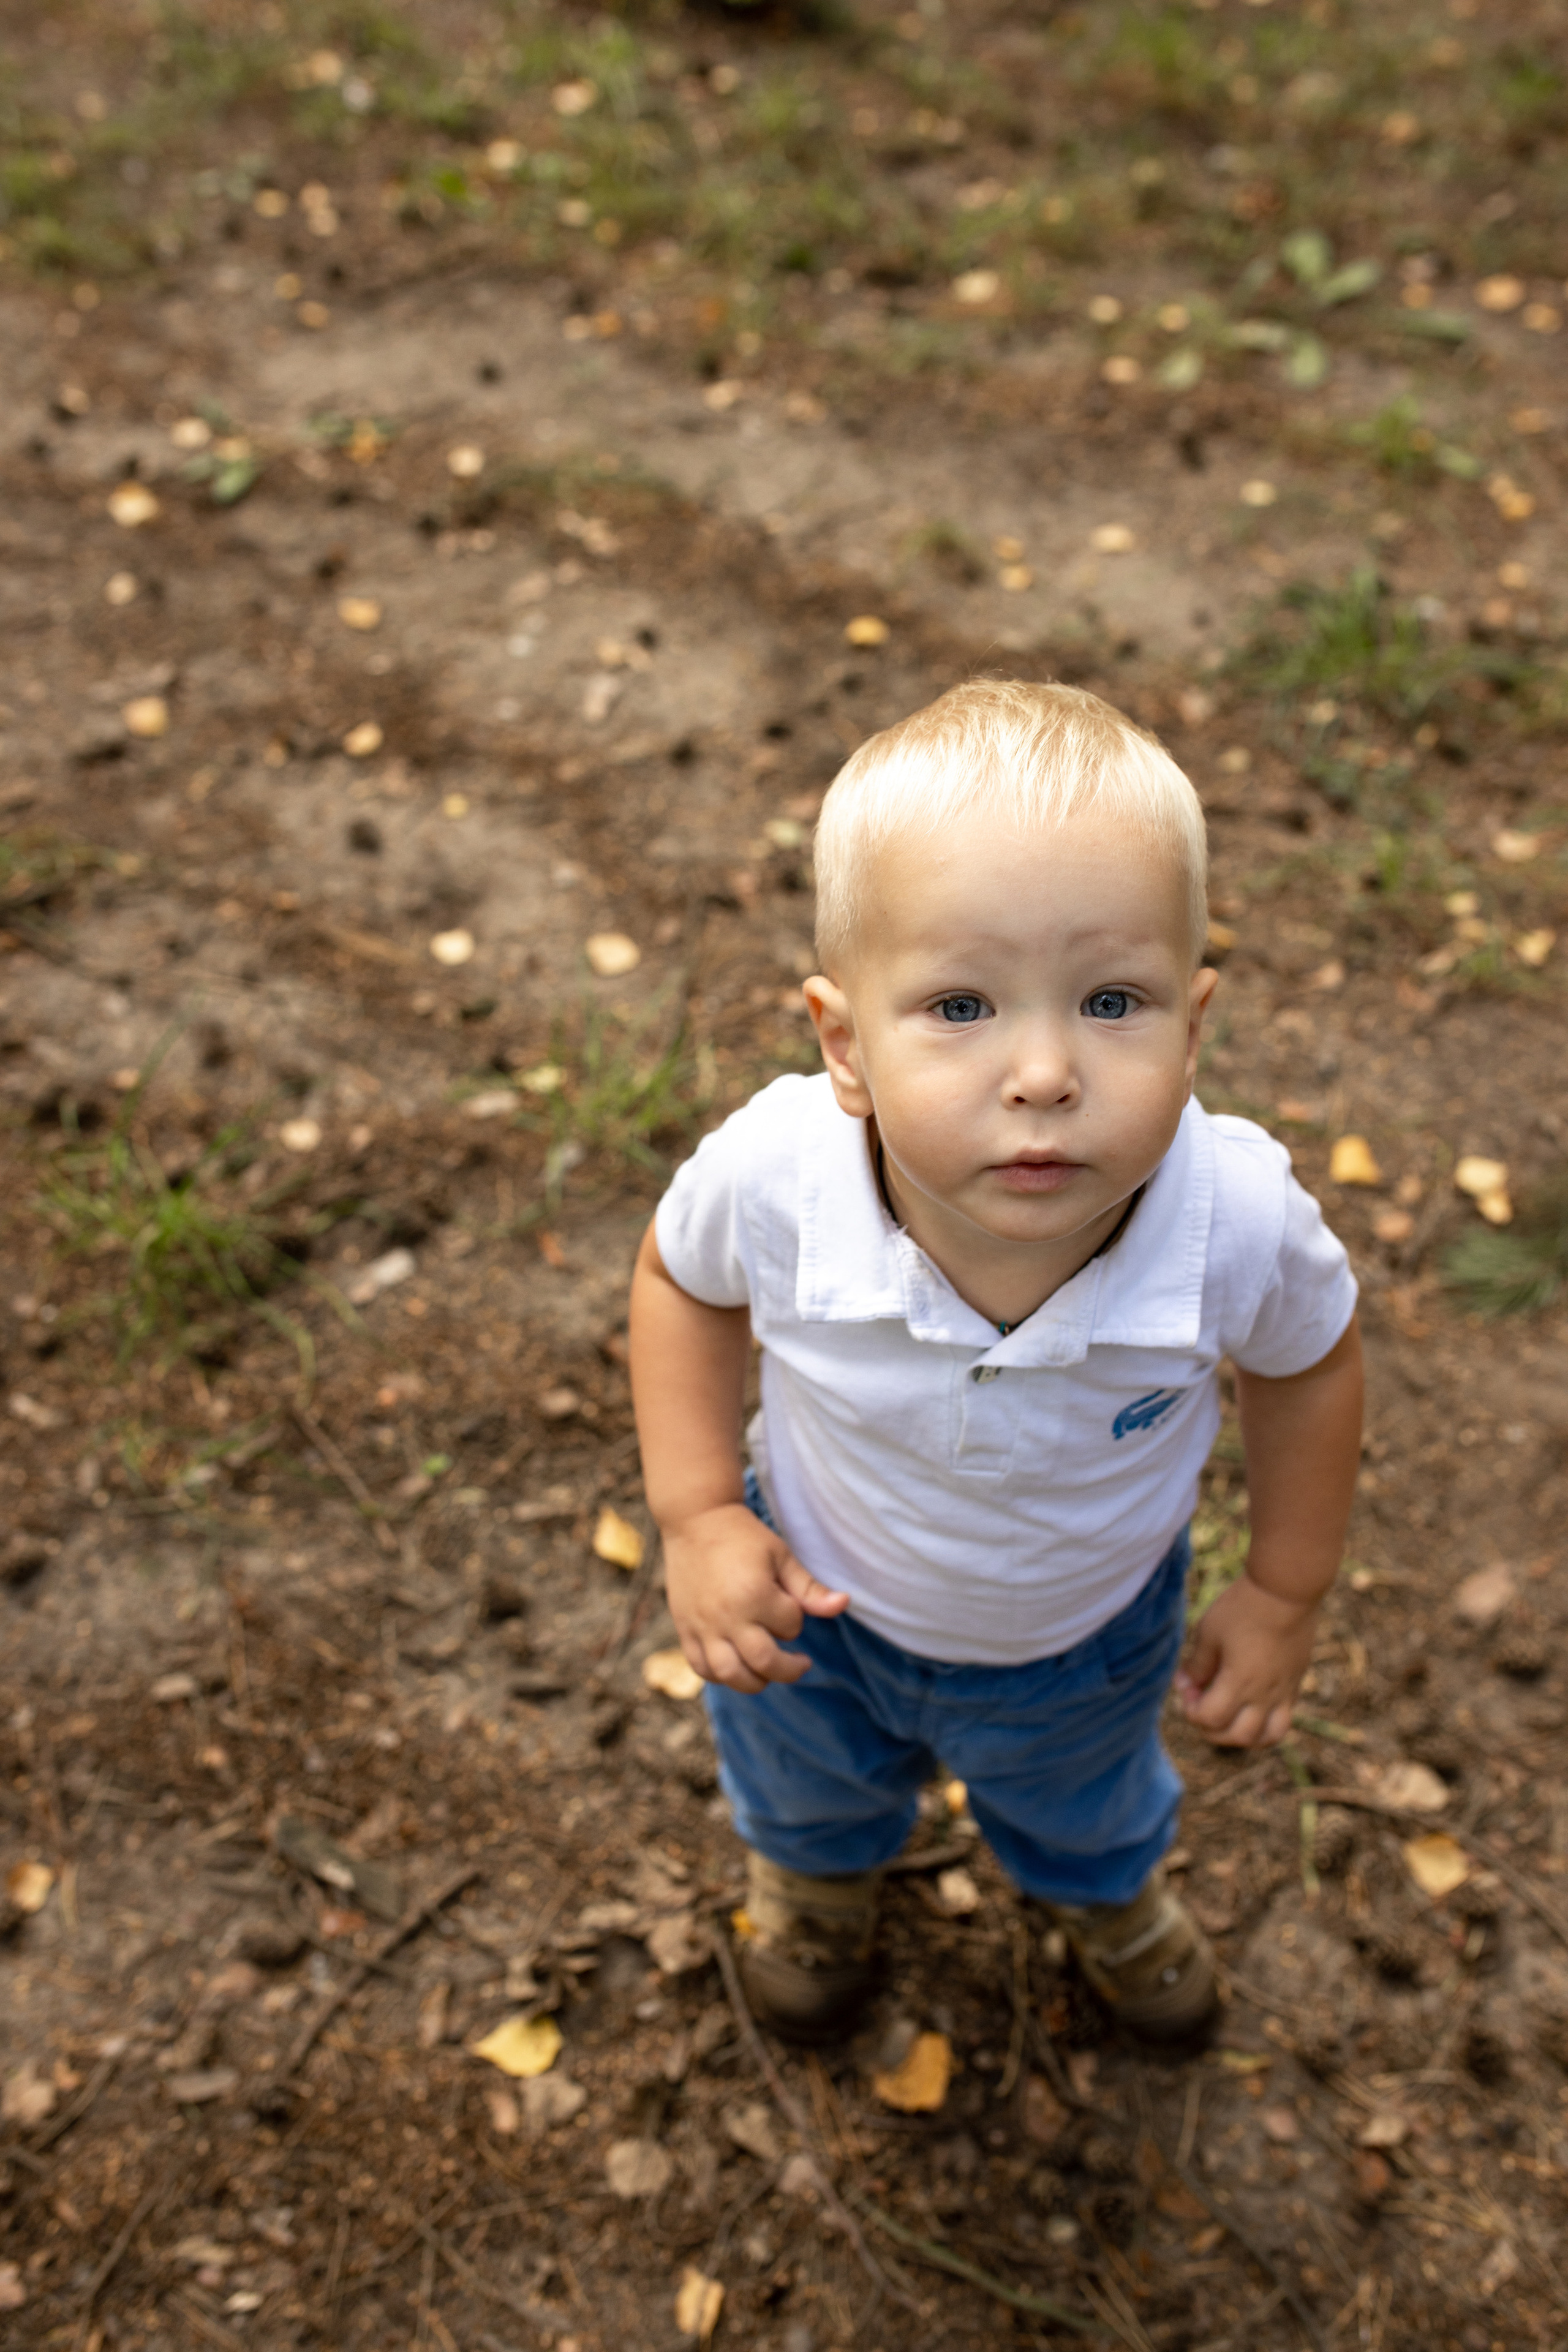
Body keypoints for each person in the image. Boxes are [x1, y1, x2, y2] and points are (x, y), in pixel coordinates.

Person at [628, 679, 1362, 2043]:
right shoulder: (781, 1175)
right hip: (819, 1610)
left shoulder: (1234, 1220)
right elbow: (681, 1280)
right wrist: (695, 1509)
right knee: (807, 1780)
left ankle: (1099, 1891)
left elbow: (1310, 1363)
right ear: (843, 1043)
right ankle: (813, 1878)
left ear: (1193, 1024)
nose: (1041, 1071)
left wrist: (1282, 1587)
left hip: (1079, 1632)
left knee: (1085, 1793)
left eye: (1109, 1000)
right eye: (960, 1005)